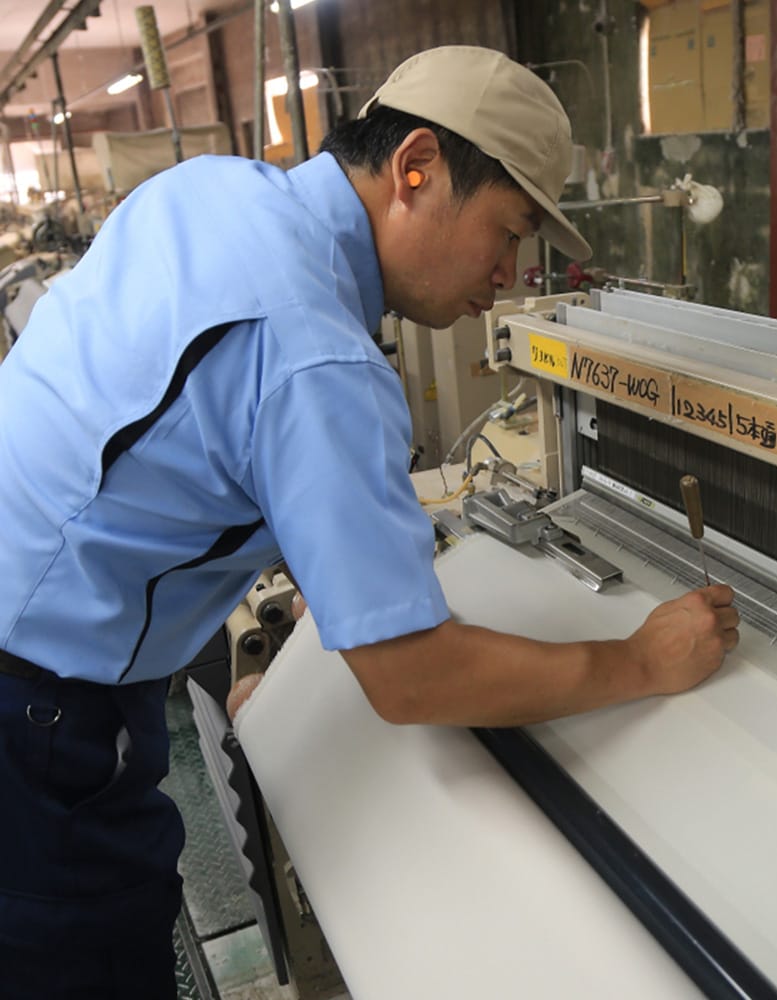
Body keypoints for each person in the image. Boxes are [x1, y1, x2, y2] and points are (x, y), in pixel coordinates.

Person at [0, 45, 739, 998]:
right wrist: (640, 662)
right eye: (507, 231)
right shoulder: (320, 356)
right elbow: (411, 679)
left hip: (32, 635)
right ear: (415, 166)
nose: (509, 274)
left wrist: (325, 562)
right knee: (87, 958)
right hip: (37, 712)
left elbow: (189, 422)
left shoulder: (212, 190)